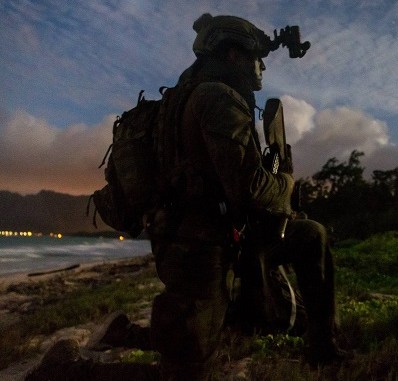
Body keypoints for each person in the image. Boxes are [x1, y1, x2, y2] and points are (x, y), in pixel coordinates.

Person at [27, 13, 345, 381]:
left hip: (222, 234)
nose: (261, 65)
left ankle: (323, 347)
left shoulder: (202, 95)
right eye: (256, 56)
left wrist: (275, 171)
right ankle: (65, 371)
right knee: (184, 372)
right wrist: (286, 184)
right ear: (231, 56)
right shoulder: (216, 99)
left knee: (310, 237)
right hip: (197, 248)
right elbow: (249, 190)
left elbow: (240, 180)